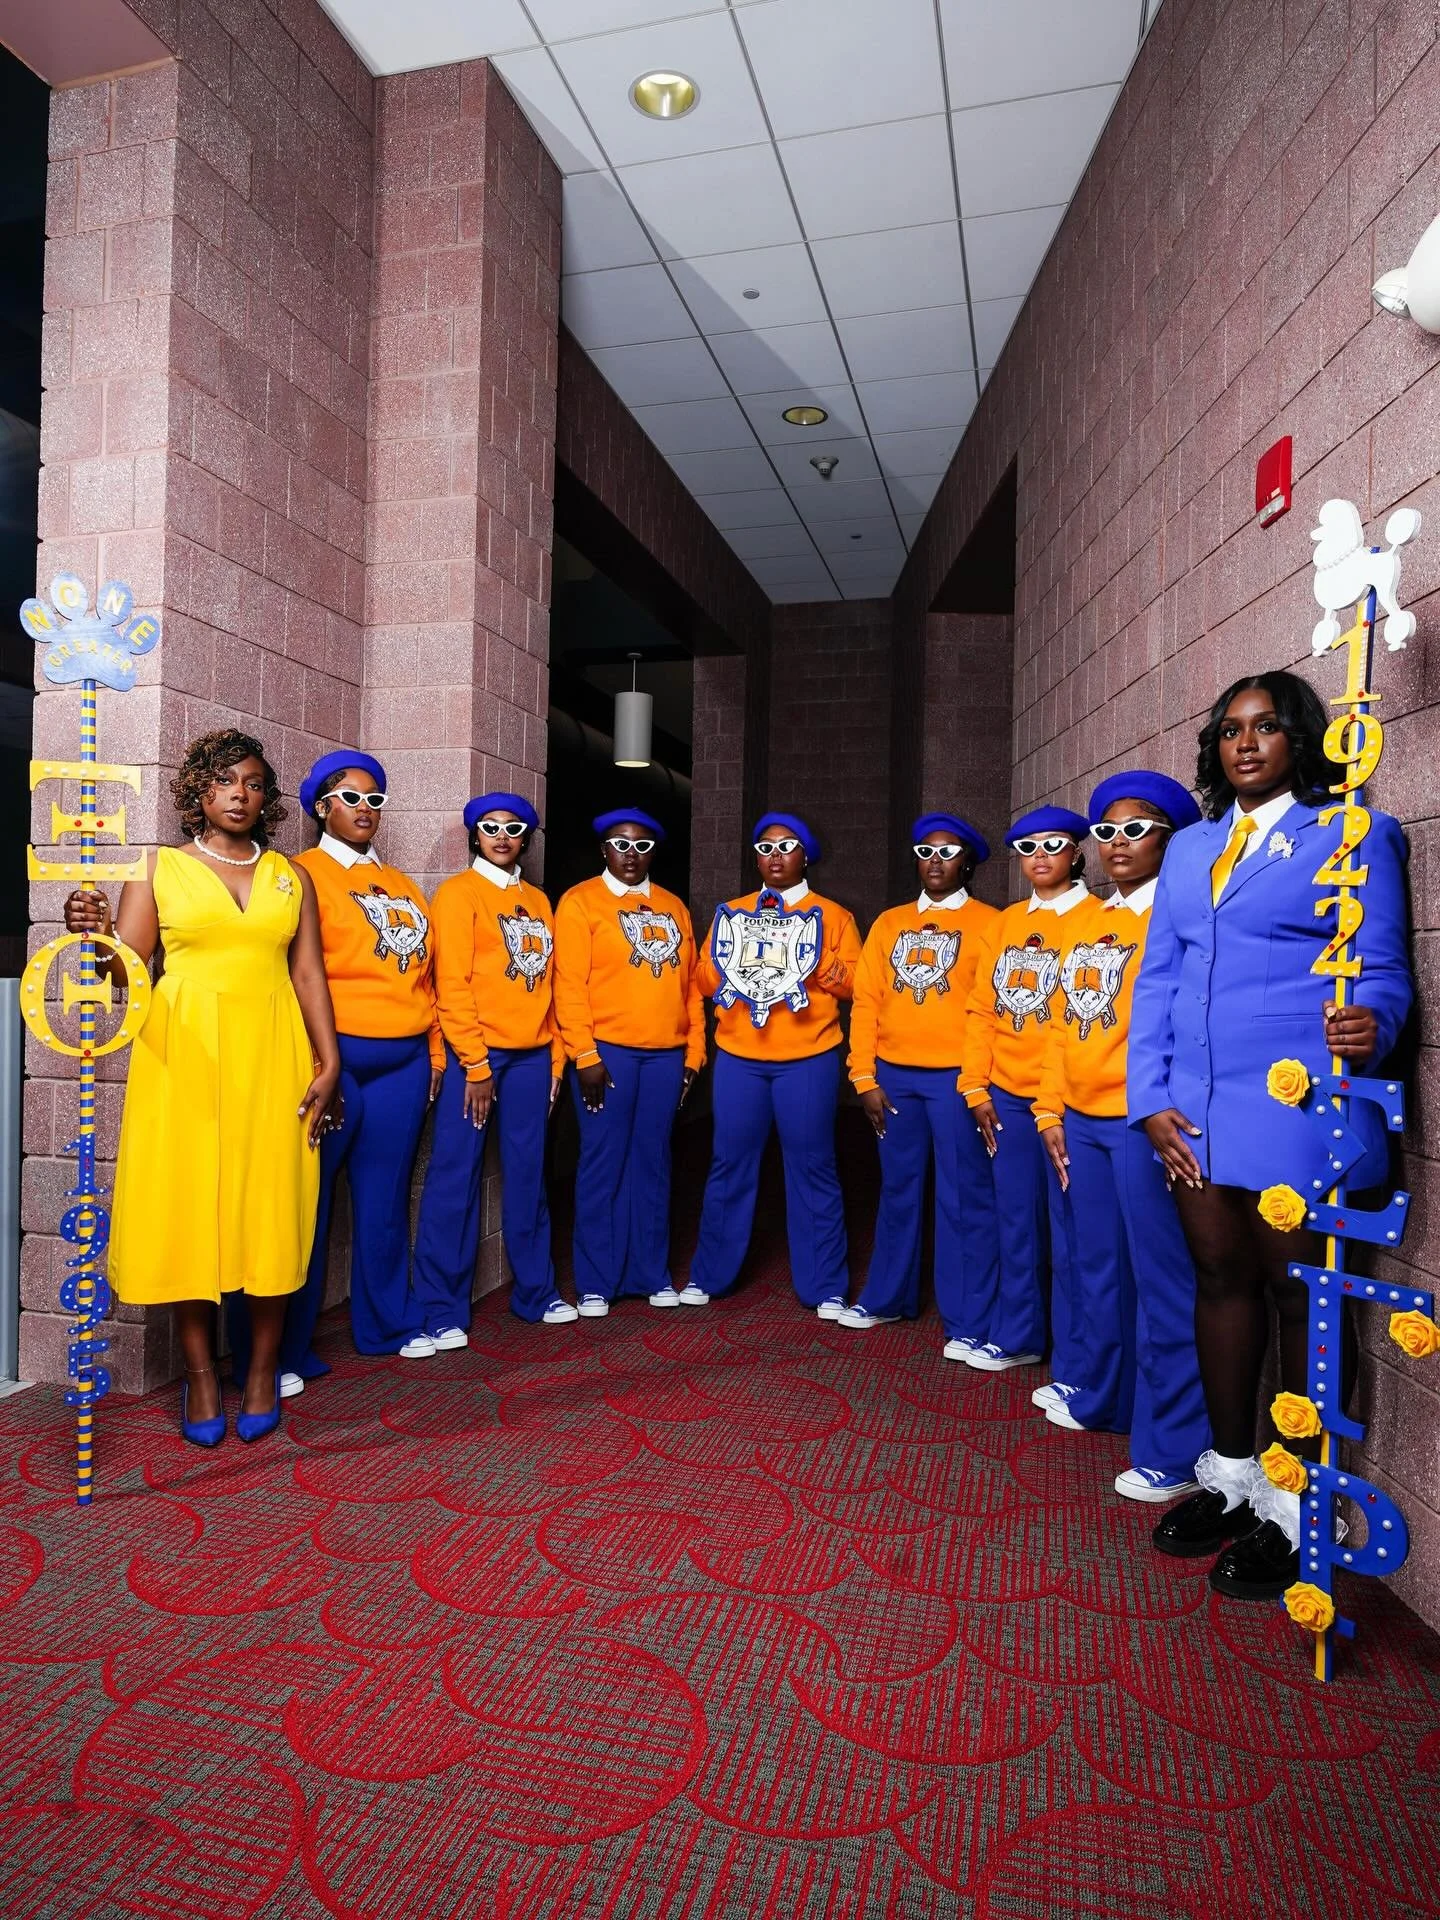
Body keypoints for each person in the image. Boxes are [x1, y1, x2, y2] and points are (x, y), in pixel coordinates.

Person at [1129, 671, 1412, 1598]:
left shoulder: (1354, 835)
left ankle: (1301, 1507)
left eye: (1266, 728)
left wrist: (1371, 1018)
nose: (1244, 744)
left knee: (1304, 1301)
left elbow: (1382, 970)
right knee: (1219, 1281)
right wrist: (1149, 1096)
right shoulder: (1189, 850)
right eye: (1230, 731)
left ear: (1303, 739)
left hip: (1299, 1104)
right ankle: (1237, 1475)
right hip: (1195, 1108)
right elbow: (1158, 982)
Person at [62, 729, 340, 1445]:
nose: (239, 794)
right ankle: (202, 1375)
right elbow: (127, 971)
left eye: (251, 782)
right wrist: (93, 941)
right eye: (223, 782)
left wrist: (328, 1061)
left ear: (265, 795)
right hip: (182, 1053)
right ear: (198, 792)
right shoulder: (159, 868)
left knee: (270, 1209)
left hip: (275, 1052)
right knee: (190, 1212)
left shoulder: (290, 876)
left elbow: (308, 973)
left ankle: (259, 1371)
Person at [227, 751, 447, 1395]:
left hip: (403, 1060)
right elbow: (293, 973)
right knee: (302, 1206)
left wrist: (433, 1054)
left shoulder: (403, 884)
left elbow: (422, 978)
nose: (365, 811)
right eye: (352, 798)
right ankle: (276, 1352)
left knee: (384, 1200)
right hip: (333, 1059)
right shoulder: (300, 873)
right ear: (321, 806)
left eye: (376, 800)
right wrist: (319, 1060)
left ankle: (386, 1325)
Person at [1033, 771, 1212, 1502]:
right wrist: (1049, 1110)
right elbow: (1058, 1022)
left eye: (1135, 830)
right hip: (1080, 1115)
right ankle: (1102, 1397)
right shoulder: (1084, 923)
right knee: (1097, 1269)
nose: (1117, 845)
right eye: (1105, 833)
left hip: (1142, 1122)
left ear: (1172, 838)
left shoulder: (1180, 920)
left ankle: (1174, 1447)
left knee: (1164, 1282)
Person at [673, 813, 862, 1313]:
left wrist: (816, 956)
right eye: (766, 846)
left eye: (787, 846)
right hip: (741, 1057)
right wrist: (723, 963)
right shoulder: (732, 913)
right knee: (728, 1163)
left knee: (813, 1165)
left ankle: (826, 1286)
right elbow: (705, 981)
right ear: (756, 857)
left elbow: (857, 987)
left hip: (808, 1057)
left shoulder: (834, 916)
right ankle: (710, 1275)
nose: (775, 855)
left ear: (805, 857)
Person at [838, 813, 1001, 1350]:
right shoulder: (888, 923)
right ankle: (888, 1297)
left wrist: (976, 1082)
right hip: (894, 1076)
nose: (935, 862)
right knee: (899, 1188)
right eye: (925, 852)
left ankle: (967, 1319)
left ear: (968, 862)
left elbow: (990, 1009)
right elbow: (865, 1003)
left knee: (964, 1195)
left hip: (956, 1080)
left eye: (947, 852)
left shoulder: (990, 923)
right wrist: (863, 1074)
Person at [414, 793, 573, 1327]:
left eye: (512, 828)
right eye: (490, 827)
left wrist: (554, 1064)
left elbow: (549, 988)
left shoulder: (541, 901)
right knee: (455, 1176)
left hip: (532, 1059)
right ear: (474, 835)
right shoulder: (458, 895)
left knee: (529, 1175)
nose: (501, 836)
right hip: (474, 1059)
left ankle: (537, 1291)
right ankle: (441, 1309)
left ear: (525, 837)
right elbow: (450, 985)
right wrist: (477, 1066)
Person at [553, 811, 706, 1315]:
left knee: (654, 1162)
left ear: (653, 852)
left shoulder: (673, 907)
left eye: (642, 845)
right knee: (602, 1162)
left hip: (665, 1055)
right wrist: (586, 1054)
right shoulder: (580, 902)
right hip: (607, 1055)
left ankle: (650, 1272)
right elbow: (568, 986)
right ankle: (597, 1280)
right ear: (604, 849)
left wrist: (694, 1053)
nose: (631, 852)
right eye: (620, 843)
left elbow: (690, 990)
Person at [958, 807, 1090, 1373]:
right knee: (1015, 1219)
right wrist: (976, 1086)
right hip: (1007, 1093)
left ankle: (1077, 1359)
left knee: (1072, 1230)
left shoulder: (1097, 917)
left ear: (1077, 853)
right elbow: (981, 1011)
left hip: (1066, 1099)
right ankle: (1019, 1335)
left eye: (1052, 844)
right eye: (1027, 847)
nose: (1039, 856)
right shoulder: (1005, 923)